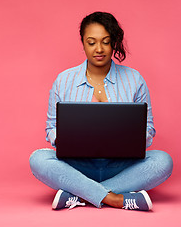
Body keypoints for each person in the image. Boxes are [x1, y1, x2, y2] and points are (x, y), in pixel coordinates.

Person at [29, 11, 173, 211]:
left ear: (114, 43)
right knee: (38, 158)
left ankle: (81, 195)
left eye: (105, 41)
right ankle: (116, 199)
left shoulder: (135, 79)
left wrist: (134, 139)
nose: (99, 49)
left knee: (163, 161)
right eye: (91, 42)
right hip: (78, 167)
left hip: (121, 167)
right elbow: (51, 128)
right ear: (83, 43)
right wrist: (65, 140)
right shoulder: (63, 80)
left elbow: (148, 129)